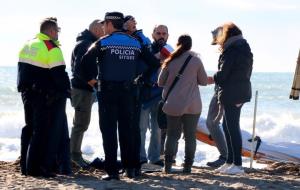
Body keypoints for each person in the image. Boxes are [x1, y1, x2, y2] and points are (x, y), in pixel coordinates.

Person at [78, 12, 160, 180]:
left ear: (109, 24)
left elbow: (82, 64)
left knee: (109, 132)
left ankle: (113, 172)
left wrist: (92, 81)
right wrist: (142, 79)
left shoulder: (103, 43)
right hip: (130, 92)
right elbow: (154, 63)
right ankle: (131, 169)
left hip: (107, 92)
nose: (102, 28)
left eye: (104, 25)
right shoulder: (135, 43)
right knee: (128, 131)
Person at [17, 17, 71, 177]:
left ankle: (25, 167)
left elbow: (21, 71)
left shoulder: (28, 44)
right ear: (51, 31)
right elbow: (59, 74)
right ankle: (37, 168)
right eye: (57, 31)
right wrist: (68, 91)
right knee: (42, 131)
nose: (58, 34)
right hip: (43, 95)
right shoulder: (51, 47)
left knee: (29, 128)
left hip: (27, 93)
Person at [158, 34, 208, 173]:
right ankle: (187, 167)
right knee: (190, 136)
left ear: (177, 44)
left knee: (172, 135)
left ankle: (167, 166)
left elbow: (160, 82)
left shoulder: (170, 60)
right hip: (193, 105)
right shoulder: (196, 60)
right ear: (190, 45)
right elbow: (203, 81)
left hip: (173, 104)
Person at [207, 22, 253, 175]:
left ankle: (238, 165)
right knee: (227, 126)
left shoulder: (233, 50)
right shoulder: (242, 47)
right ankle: (230, 162)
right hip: (236, 91)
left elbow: (223, 74)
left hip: (234, 93)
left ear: (227, 34)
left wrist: (212, 77)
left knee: (232, 127)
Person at [70, 19, 105, 168]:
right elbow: (78, 69)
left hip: (82, 90)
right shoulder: (85, 44)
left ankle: (75, 154)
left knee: (80, 123)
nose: (105, 34)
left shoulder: (85, 41)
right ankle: (74, 156)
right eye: (103, 30)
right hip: (82, 90)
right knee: (80, 124)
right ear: (97, 30)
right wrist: (93, 82)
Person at [206, 27, 227, 168]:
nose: (218, 45)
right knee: (213, 123)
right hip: (220, 89)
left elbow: (226, 73)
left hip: (224, 91)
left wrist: (213, 78)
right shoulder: (228, 51)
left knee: (213, 122)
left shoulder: (231, 51)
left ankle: (225, 156)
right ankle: (226, 156)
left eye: (218, 42)